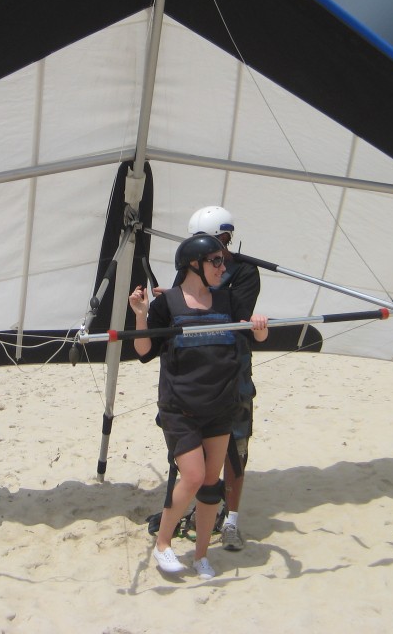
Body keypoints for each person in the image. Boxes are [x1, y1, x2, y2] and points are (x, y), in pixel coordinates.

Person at [129, 234, 268, 580]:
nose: (224, 267)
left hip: (220, 407)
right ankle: (163, 544)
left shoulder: (229, 300)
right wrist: (141, 315)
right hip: (181, 408)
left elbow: (256, 338)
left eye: (224, 261)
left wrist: (260, 327)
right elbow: (144, 351)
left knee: (210, 484)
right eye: (216, 261)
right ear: (194, 265)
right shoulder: (168, 303)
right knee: (191, 476)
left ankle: (202, 555)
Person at [187, 206, 261, 552]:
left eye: (225, 243)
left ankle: (231, 519)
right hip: (197, 371)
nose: (222, 253)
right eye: (217, 244)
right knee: (195, 445)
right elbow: (182, 309)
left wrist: (197, 296)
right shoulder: (190, 268)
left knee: (236, 447)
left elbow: (233, 313)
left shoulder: (244, 271)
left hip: (233, 370)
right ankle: (200, 507)